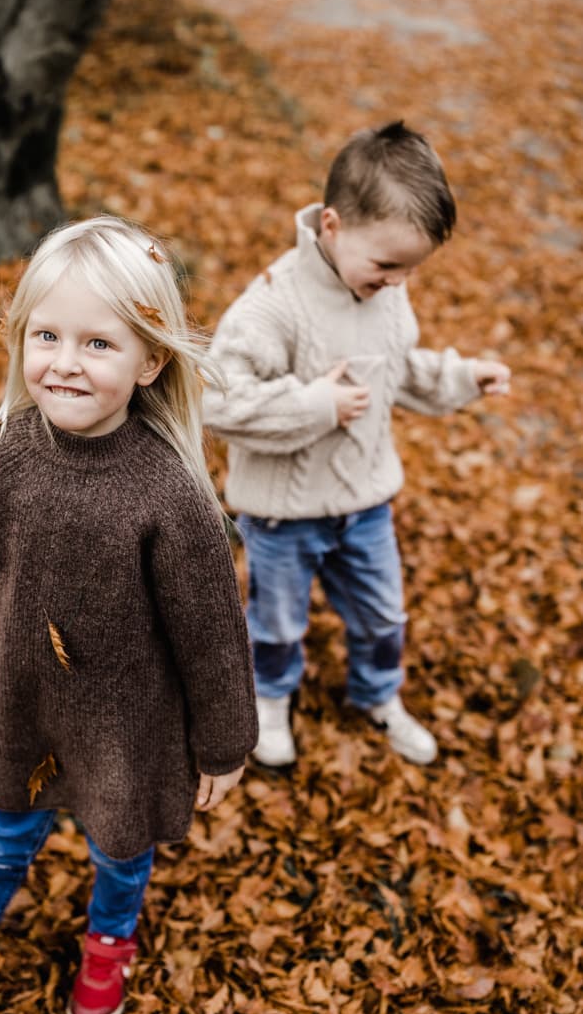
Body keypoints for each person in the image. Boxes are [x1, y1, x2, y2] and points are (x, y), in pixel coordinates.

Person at [0, 215, 257, 1014]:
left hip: (125, 720)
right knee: (1, 838)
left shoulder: (168, 495)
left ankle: (109, 942)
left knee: (119, 849)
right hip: (27, 705)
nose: (64, 362)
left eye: (98, 344)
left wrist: (223, 742)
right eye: (48, 335)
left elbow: (211, 634)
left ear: (151, 360)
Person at [204, 121, 510, 768]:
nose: (399, 281)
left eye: (412, 268)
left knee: (383, 615)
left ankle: (378, 694)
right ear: (333, 226)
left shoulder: (385, 294)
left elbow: (395, 367)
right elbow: (219, 400)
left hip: (365, 504)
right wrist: (316, 405)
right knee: (278, 621)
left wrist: (459, 378)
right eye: (388, 265)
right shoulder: (272, 305)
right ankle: (271, 700)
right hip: (283, 515)